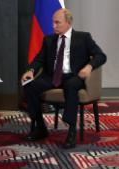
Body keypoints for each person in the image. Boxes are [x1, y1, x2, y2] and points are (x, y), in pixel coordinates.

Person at [21, 8, 106, 149]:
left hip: (73, 76)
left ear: (68, 22)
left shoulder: (83, 38)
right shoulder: (49, 40)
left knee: (71, 86)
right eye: (52, 22)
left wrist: (89, 67)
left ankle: (71, 131)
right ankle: (41, 127)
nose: (53, 26)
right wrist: (30, 71)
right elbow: (39, 60)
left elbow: (101, 56)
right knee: (29, 85)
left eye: (57, 23)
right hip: (52, 76)